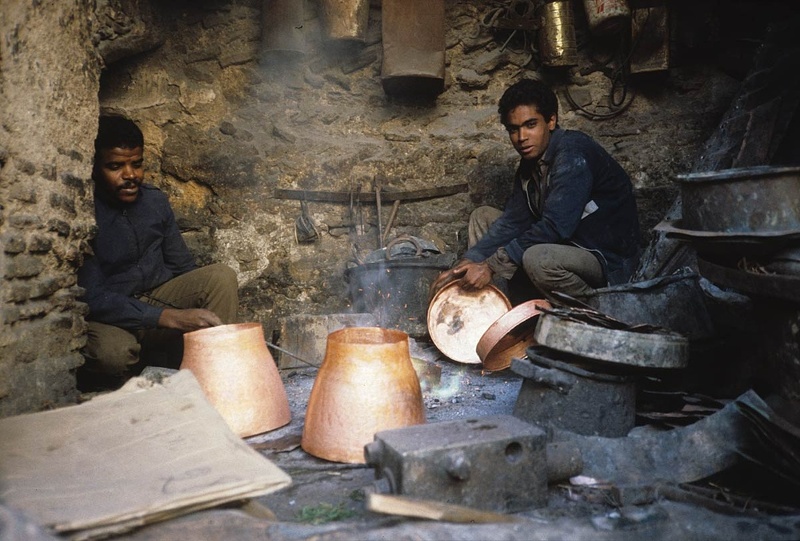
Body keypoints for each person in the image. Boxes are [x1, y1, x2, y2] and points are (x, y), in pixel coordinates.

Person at [431, 78, 641, 303]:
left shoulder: (572, 154)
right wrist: (469, 261)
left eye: (531, 125)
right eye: (514, 129)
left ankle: (595, 312)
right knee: (482, 216)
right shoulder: (530, 164)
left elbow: (556, 227)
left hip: (603, 258)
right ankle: (493, 305)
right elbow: (513, 221)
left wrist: (490, 266)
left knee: (536, 258)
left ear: (551, 121)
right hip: (563, 248)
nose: (521, 138)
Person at [77, 115, 239, 387]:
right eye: (115, 166)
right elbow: (92, 297)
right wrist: (168, 318)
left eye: (136, 164)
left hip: (158, 299)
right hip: (112, 316)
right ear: (94, 168)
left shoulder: (154, 201)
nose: (130, 175)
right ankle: (133, 394)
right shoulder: (83, 213)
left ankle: (212, 377)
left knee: (220, 277)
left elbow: (183, 267)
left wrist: (195, 312)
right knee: (113, 354)